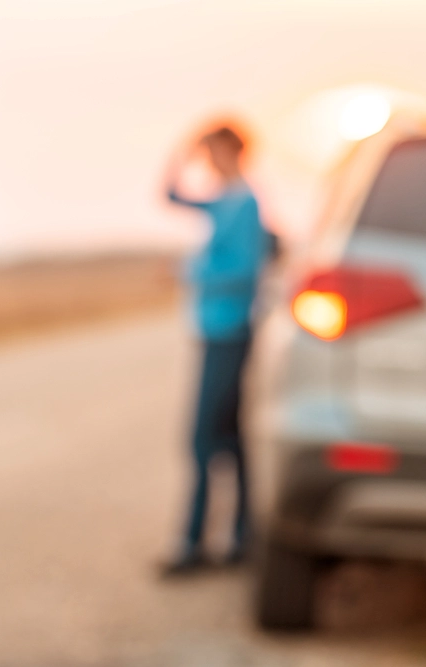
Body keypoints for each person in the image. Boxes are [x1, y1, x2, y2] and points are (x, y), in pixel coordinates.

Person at [162, 123, 270, 575]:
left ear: (232, 149)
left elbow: (247, 269)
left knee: (204, 438)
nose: (208, 160)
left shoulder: (243, 203)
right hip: (216, 329)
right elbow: (170, 196)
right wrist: (181, 152)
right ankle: (242, 537)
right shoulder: (223, 200)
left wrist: (192, 271)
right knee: (230, 436)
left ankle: (193, 545)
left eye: (212, 151)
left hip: (230, 331)